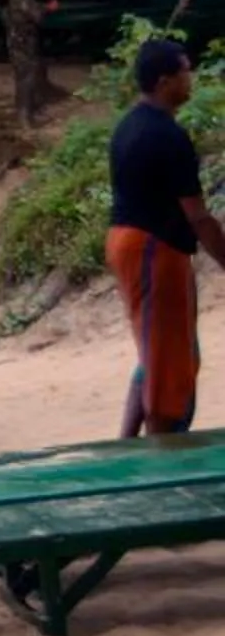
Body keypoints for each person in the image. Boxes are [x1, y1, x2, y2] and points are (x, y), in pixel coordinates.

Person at [108, 39, 225, 437]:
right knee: (173, 360)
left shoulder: (129, 124)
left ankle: (126, 441)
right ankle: (164, 453)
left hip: (127, 241)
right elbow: (198, 217)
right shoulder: (166, 136)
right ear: (164, 82)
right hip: (153, 248)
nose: (189, 79)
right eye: (184, 72)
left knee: (154, 349)